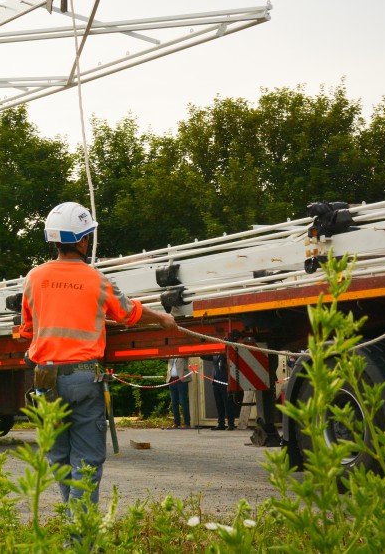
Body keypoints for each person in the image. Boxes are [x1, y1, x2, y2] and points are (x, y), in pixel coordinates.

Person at [20, 202, 178, 506]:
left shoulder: (34, 278)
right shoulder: (97, 280)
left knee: (60, 459)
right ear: (82, 240)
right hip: (82, 378)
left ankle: (75, 534)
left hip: (45, 379)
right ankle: (79, 539)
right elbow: (129, 314)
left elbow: (28, 328)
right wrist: (162, 318)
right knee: (87, 462)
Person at [210, 353, 237, 430]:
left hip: (225, 381)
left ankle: (231, 424)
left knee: (228, 403)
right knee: (219, 404)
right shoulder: (214, 354)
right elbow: (204, 356)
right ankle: (221, 423)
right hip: (215, 381)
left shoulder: (225, 353)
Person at [165, 356, 191, 428]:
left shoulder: (183, 356)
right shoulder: (170, 356)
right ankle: (177, 422)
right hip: (171, 380)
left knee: (183, 401)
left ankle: (187, 422)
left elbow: (187, 354)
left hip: (181, 380)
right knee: (174, 402)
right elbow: (162, 358)